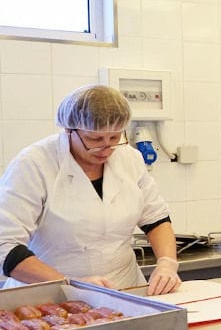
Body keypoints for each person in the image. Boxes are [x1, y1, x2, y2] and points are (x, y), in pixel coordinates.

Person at [0, 84, 181, 295]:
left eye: (114, 138)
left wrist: (167, 263)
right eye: (95, 139)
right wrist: (71, 284)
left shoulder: (129, 158)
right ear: (69, 129)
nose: (106, 148)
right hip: (50, 296)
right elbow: (5, 245)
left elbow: (156, 219)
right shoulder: (34, 164)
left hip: (124, 290)